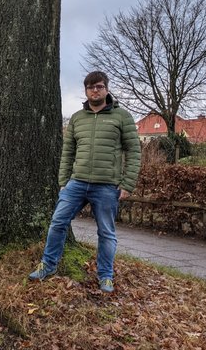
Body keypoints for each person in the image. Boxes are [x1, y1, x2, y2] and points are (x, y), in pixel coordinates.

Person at [28, 71, 141, 293]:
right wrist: (63, 181)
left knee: (106, 232)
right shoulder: (77, 118)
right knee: (57, 222)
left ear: (106, 88)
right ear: (86, 91)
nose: (95, 91)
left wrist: (127, 184)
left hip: (107, 186)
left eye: (99, 86)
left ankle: (106, 276)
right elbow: (68, 152)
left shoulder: (122, 117)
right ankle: (48, 265)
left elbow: (134, 151)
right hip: (76, 183)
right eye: (91, 87)